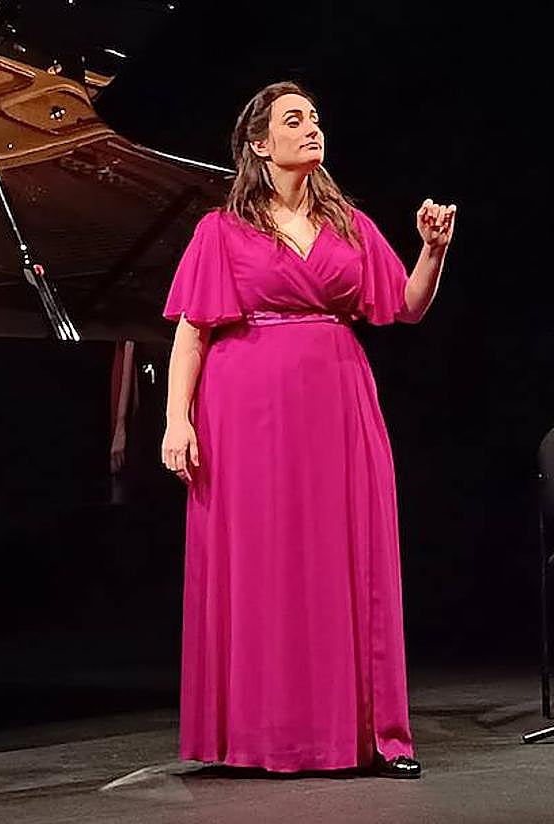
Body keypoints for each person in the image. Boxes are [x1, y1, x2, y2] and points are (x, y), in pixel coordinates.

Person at [160, 81, 455, 778]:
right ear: (260, 144)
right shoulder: (221, 230)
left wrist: (432, 251)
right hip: (245, 410)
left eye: (316, 117)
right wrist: (177, 418)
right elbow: (191, 332)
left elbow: (406, 307)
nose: (312, 128)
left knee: (345, 555)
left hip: (337, 403)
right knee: (261, 562)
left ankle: (370, 735)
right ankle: (260, 735)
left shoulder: (349, 222)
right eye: (295, 120)